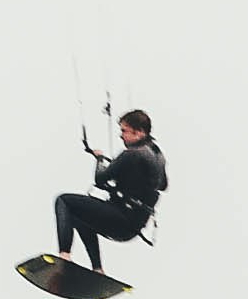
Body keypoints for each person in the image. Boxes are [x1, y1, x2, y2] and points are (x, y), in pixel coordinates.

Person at [53, 109, 166, 273]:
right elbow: (161, 185)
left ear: (139, 132)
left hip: (121, 218)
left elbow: (99, 179)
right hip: (134, 226)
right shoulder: (157, 156)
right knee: (78, 215)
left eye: (124, 130)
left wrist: (100, 158)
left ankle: (64, 255)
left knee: (64, 201)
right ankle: (98, 269)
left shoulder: (131, 154)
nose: (121, 135)